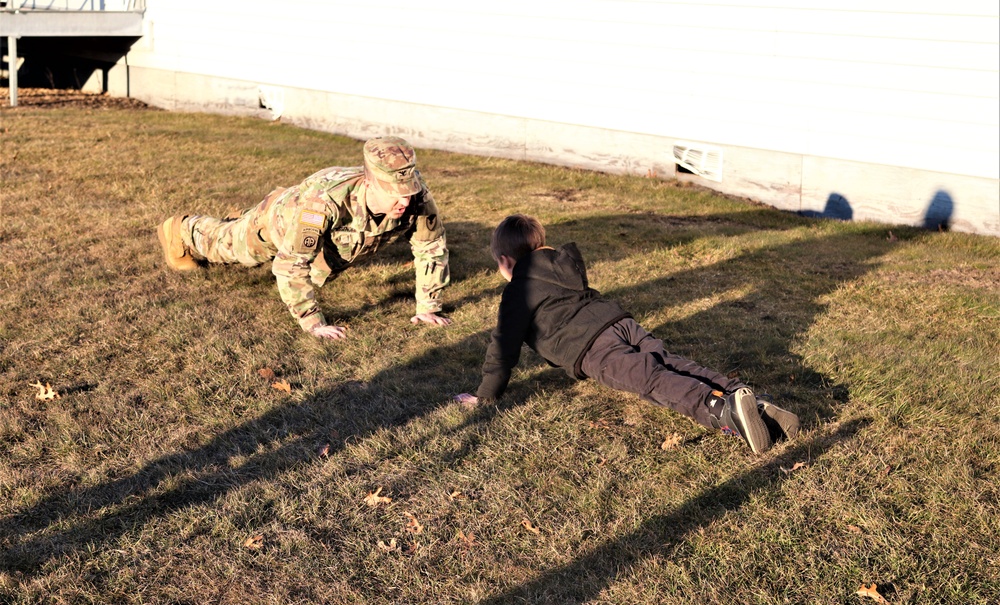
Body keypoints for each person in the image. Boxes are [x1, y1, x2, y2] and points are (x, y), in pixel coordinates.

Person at [453, 214, 799, 454]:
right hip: (619, 321)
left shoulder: (517, 290)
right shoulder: (560, 268)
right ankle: (746, 397)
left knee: (651, 379)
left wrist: (484, 397)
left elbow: (503, 347)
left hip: (589, 347)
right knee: (667, 361)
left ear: (504, 261)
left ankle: (722, 410)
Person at [156, 136, 450, 339]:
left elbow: (431, 248)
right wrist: (312, 323)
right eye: (394, 193)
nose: (404, 201)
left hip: (316, 230)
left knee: (314, 265)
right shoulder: (323, 203)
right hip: (280, 221)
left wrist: (428, 307)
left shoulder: (416, 195)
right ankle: (181, 228)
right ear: (369, 182)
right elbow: (291, 263)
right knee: (230, 248)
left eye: (407, 191)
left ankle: (239, 218)